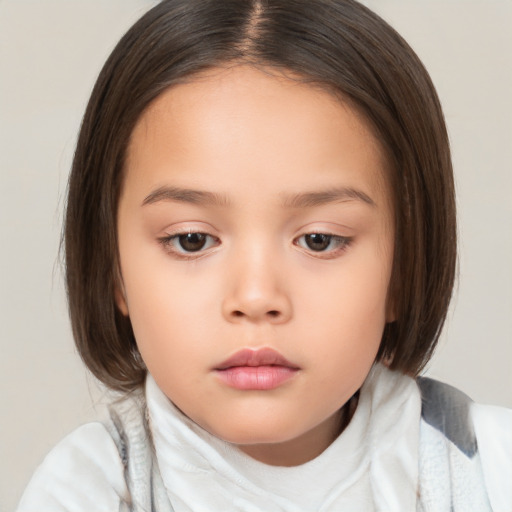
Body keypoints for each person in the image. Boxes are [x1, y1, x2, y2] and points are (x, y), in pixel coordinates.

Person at [17, 0, 511, 510]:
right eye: (192, 240)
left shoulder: (488, 471)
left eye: (319, 240)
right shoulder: (89, 489)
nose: (256, 298)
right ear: (112, 270)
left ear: (405, 269)